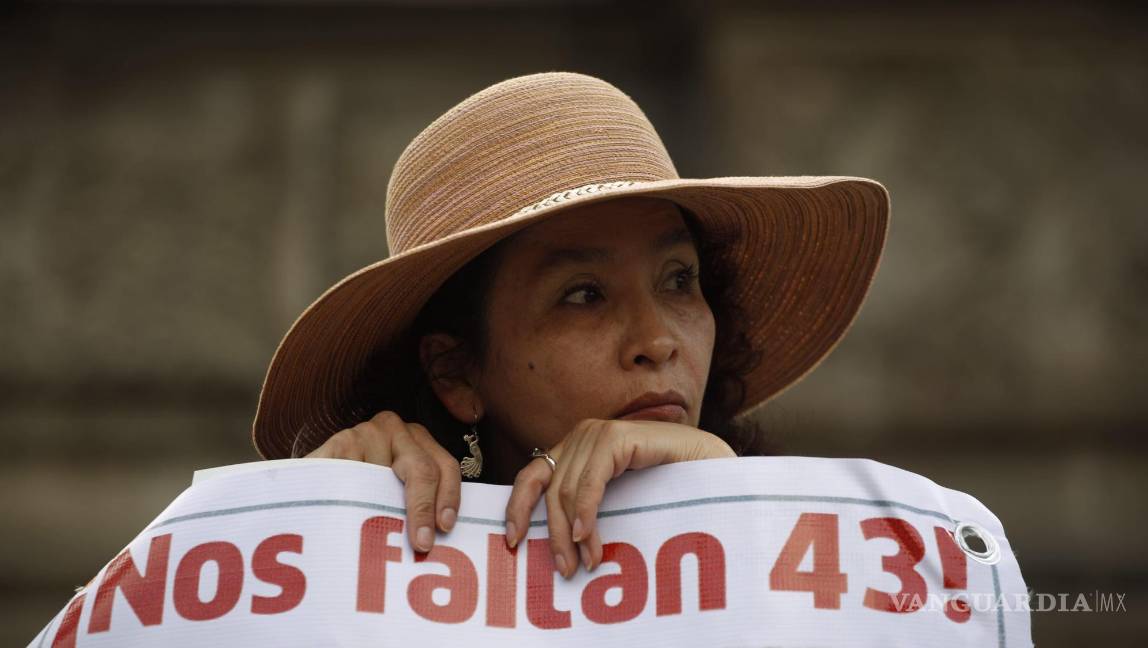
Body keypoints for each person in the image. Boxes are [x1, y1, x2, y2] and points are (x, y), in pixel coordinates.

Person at [249, 72, 889, 583]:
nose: (656, 341)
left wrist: (734, 503)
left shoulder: (857, 563)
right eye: (583, 295)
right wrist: (314, 536)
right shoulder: (369, 563)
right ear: (455, 371)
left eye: (678, 280)